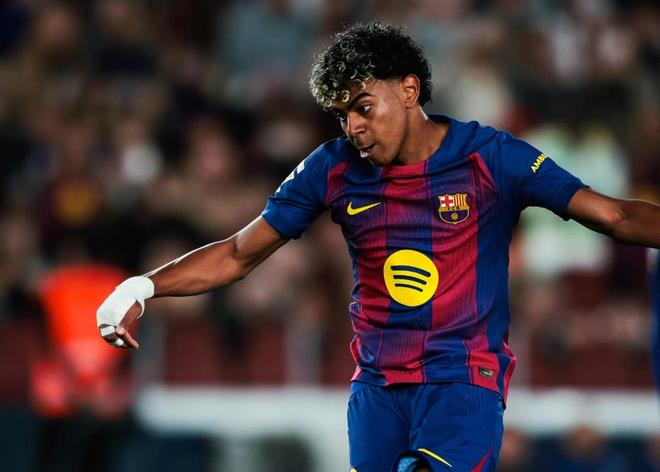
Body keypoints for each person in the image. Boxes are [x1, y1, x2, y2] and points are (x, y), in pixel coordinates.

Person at [96, 23, 660, 472]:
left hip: (462, 382)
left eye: (364, 106)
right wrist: (141, 286)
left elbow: (612, 214)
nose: (354, 127)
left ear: (409, 90)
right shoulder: (331, 168)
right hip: (376, 391)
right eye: (343, 114)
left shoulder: (490, 157)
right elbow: (239, 254)